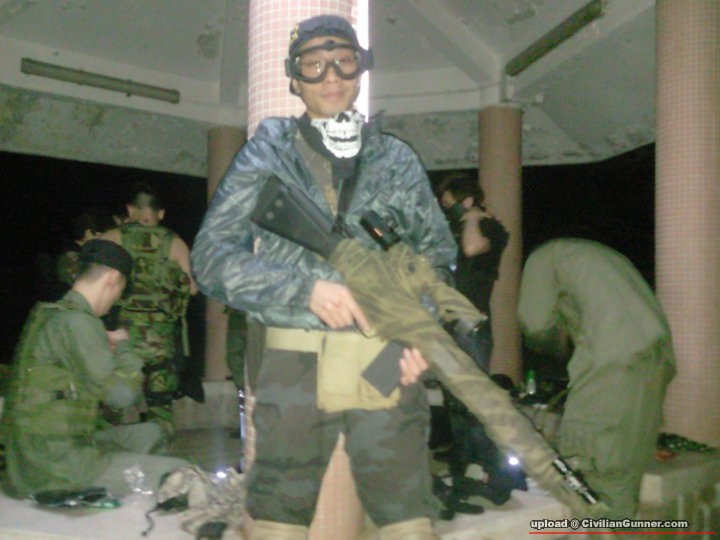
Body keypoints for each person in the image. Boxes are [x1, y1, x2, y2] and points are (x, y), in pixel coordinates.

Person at [191, 14, 455, 539]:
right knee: (278, 514)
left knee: (406, 513)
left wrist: (420, 331)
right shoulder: (268, 153)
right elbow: (210, 257)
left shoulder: (395, 159)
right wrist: (304, 291)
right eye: (313, 65)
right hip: (293, 364)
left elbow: (439, 259)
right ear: (294, 78)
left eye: (344, 61)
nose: (331, 76)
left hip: (384, 357)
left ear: (361, 69)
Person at [0, 240, 188, 499]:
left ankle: (127, 489)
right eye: (120, 291)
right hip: (56, 468)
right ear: (112, 280)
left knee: (150, 433)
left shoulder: (51, 314)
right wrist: (124, 348)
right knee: (181, 473)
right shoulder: (78, 323)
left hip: (33, 457)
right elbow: (121, 396)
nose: (116, 301)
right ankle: (128, 503)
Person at [518, 238, 677, 519]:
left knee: (593, 466)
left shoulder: (542, 257)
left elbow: (536, 325)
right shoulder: (600, 257)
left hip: (612, 361)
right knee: (626, 466)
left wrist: (560, 348)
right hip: (655, 360)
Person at [102, 182, 199, 438]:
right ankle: (159, 448)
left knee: (115, 404)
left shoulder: (112, 238)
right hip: (160, 341)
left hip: (120, 340)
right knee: (160, 405)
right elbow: (192, 289)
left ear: (129, 209)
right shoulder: (175, 244)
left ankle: (114, 451)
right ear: (161, 213)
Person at [437, 173, 508, 373]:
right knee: (446, 380)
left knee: (473, 382)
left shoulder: (489, 228)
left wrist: (473, 217)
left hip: (470, 322)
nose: (446, 210)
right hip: (442, 321)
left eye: (449, 205)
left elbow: (472, 248)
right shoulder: (449, 232)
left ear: (467, 202)